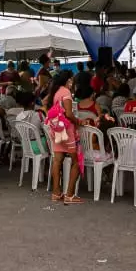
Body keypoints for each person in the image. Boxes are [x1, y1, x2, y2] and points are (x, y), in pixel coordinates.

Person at [45, 69, 81, 203]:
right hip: (67, 131)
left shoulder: (56, 91)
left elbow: (46, 104)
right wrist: (78, 121)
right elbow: (69, 114)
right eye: (72, 80)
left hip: (56, 129)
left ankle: (56, 193)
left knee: (57, 160)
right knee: (77, 162)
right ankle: (70, 195)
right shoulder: (66, 92)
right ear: (69, 80)